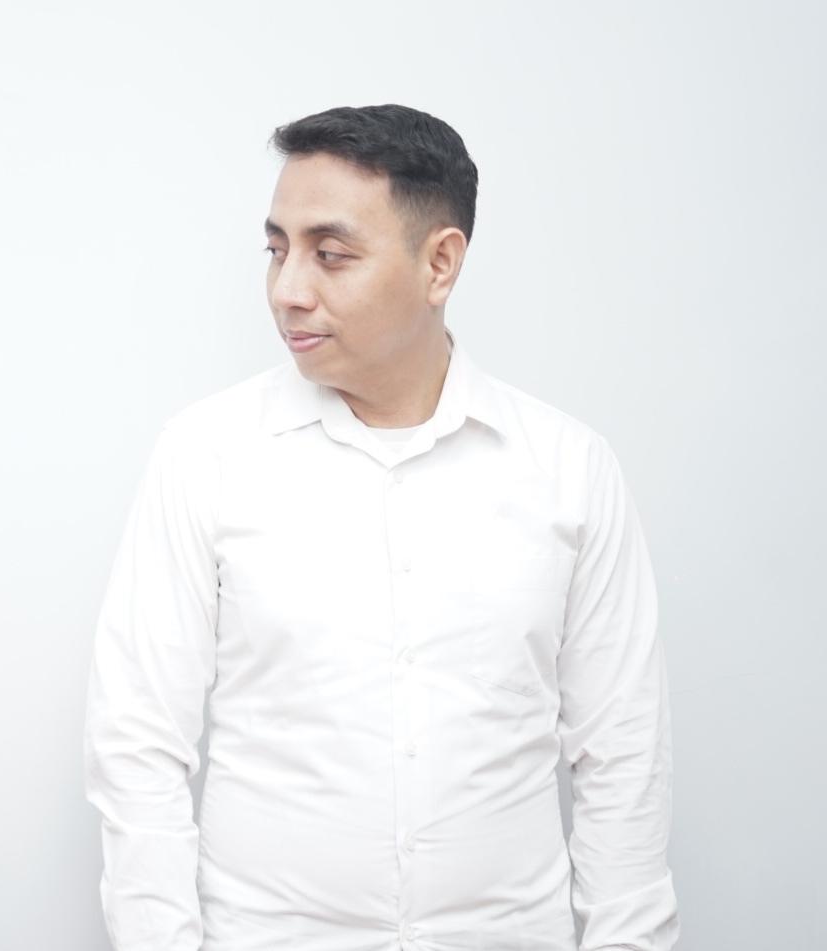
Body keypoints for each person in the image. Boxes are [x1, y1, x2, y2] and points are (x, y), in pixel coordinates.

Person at [84, 105, 675, 950]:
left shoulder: (570, 469)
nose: (288, 289)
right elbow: (138, 743)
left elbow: (623, 756)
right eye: (277, 249)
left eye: (330, 254)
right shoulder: (206, 455)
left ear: (441, 263)